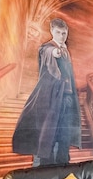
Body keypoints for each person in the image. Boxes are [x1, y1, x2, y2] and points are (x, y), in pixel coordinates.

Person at [12, 18, 82, 166]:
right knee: (48, 134)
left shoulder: (66, 51)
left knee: (65, 136)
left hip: (67, 99)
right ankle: (45, 167)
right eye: (58, 32)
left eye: (64, 33)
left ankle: (63, 166)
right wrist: (55, 52)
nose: (62, 36)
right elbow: (50, 53)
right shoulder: (47, 48)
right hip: (51, 99)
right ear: (52, 31)